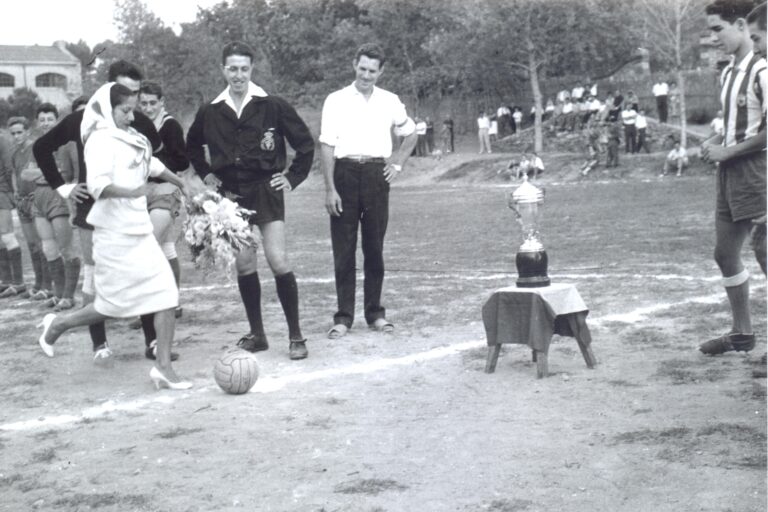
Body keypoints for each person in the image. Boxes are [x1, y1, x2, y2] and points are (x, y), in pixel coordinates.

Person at [37, 83, 191, 390]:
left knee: (166, 294)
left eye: (133, 109)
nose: (132, 117)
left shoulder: (131, 135)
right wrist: (135, 191)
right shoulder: (98, 141)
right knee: (110, 307)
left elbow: (155, 166)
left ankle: (163, 367)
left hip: (138, 229)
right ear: (109, 109)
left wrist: (184, 184)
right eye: (125, 110)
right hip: (112, 234)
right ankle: (58, 324)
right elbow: (97, 186)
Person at [186, 41, 314, 360]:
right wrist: (207, 174)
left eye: (244, 69)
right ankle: (258, 335)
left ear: (251, 69)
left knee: (277, 260)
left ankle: (296, 335)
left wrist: (292, 176)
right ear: (223, 70)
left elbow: (305, 144)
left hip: (266, 191)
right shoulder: (210, 110)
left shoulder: (272, 104)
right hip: (231, 197)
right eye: (232, 69)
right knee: (245, 264)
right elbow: (191, 147)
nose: (238, 75)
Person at [319, 42, 417, 339]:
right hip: (345, 173)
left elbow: (411, 133)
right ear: (354, 65)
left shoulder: (390, 101)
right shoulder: (335, 100)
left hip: (376, 175)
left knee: (374, 248)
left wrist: (397, 163)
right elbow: (326, 145)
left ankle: (375, 313)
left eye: (372, 70)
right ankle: (343, 317)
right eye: (362, 68)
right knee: (344, 250)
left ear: (380, 71)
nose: (366, 75)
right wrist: (329, 188)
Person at [698, 0, 767, 356]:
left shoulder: (762, 70)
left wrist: (730, 151)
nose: (713, 38)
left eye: (717, 29)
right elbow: (731, 127)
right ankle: (742, 333)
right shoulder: (727, 73)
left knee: (766, 253)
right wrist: (714, 142)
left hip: (755, 173)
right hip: (728, 175)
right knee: (725, 254)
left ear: (740, 25)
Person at [133, 81, 190, 331]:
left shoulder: (170, 125)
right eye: (143, 103)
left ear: (161, 102)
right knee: (165, 246)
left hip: (166, 188)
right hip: (141, 191)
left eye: (152, 103)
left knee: (149, 244)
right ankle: (167, 302)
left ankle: (158, 304)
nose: (147, 108)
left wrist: (155, 162)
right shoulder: (133, 124)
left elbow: (182, 161)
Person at [20, 104, 80, 310]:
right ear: (38, 122)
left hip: (59, 194)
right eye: (42, 119)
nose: (46, 123)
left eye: (50, 119)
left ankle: (69, 296)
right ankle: (58, 292)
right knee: (48, 246)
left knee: (66, 246)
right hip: (39, 195)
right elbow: (25, 174)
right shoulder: (37, 144)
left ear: (57, 120)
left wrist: (46, 174)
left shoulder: (67, 144)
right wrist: (48, 173)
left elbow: (70, 174)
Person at [0, 122, 23, 296]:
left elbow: (9, 169)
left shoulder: (3, 140)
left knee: (7, 235)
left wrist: (12, 192)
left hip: (2, 192)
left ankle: (19, 282)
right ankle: (6, 280)